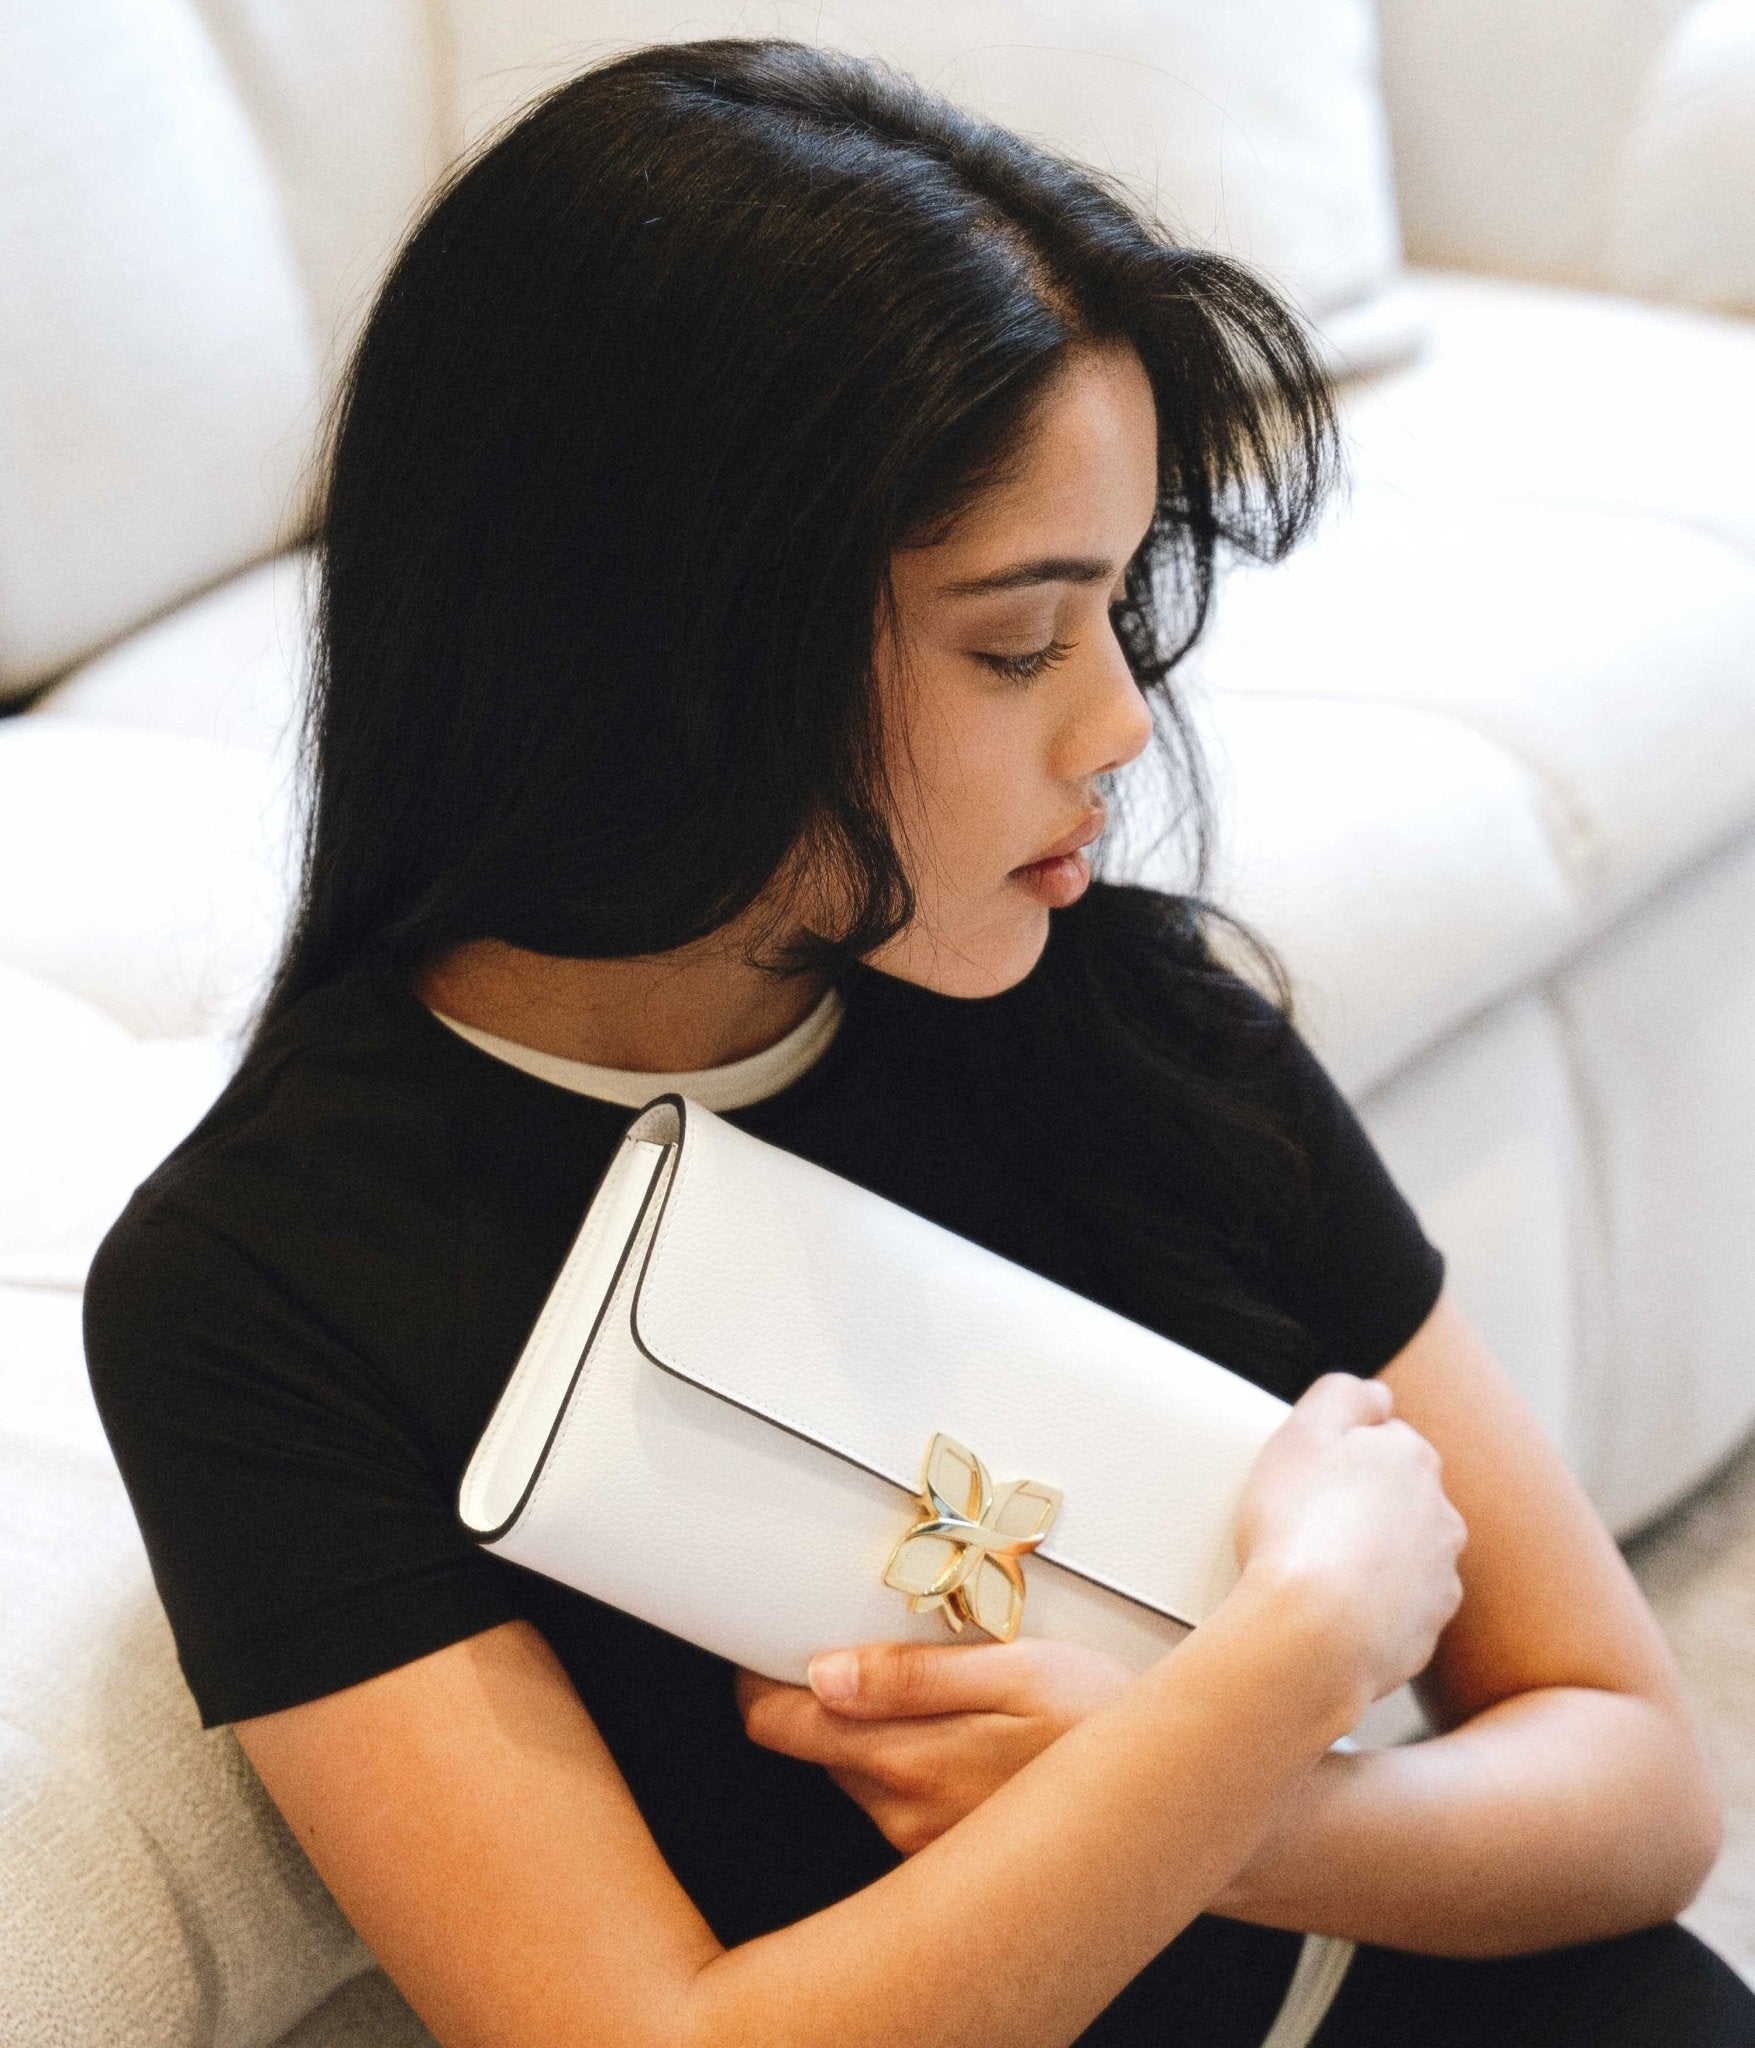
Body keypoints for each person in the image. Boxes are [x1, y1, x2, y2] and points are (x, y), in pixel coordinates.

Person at [81, 34, 1753, 2048]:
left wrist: (1227, 1810)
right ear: (670, 649)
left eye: (1117, 608)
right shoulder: (267, 1287)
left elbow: (1634, 1786)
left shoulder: (1126, 1016)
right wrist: (1291, 1652)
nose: (1117, 723)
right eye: (1014, 639)